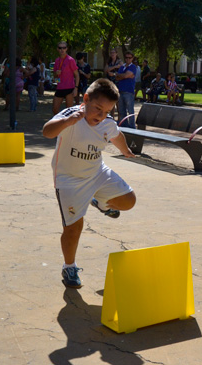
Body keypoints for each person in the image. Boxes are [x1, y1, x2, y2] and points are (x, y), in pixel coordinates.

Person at [42, 78, 137, 288]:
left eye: (107, 112)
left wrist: (125, 151)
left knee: (129, 200)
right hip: (69, 181)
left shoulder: (106, 122)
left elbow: (116, 135)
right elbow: (47, 132)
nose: (100, 116)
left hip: (97, 174)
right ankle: (69, 267)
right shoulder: (71, 115)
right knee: (73, 228)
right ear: (85, 99)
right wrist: (68, 122)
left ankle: (101, 203)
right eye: (97, 109)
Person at [52, 41, 79, 115]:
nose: (62, 50)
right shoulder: (57, 60)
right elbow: (54, 75)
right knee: (55, 109)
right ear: (57, 49)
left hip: (69, 88)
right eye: (60, 48)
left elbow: (77, 75)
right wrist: (56, 73)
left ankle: (69, 125)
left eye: (64, 48)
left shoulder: (70, 60)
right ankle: (59, 123)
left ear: (66, 49)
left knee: (69, 111)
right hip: (60, 87)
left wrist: (76, 88)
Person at [114, 51, 137, 128]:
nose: (127, 59)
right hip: (120, 91)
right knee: (121, 110)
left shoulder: (133, 67)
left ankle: (132, 126)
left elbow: (124, 75)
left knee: (130, 110)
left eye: (129, 58)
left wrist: (122, 76)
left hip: (129, 91)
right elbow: (117, 77)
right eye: (126, 57)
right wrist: (123, 76)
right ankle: (124, 125)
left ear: (132, 58)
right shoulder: (122, 67)